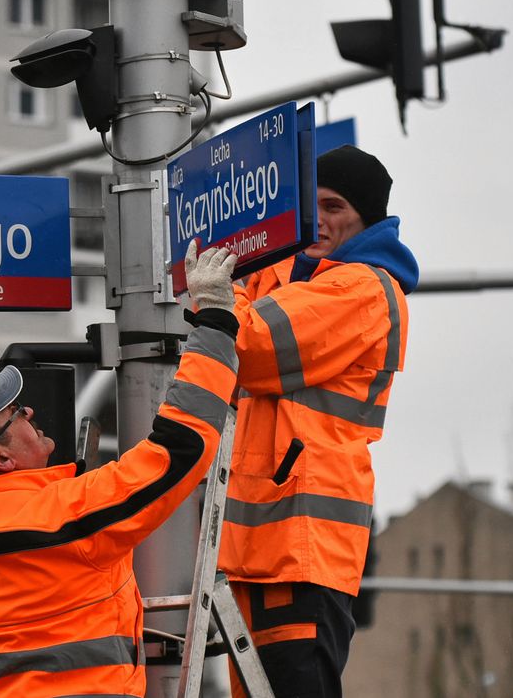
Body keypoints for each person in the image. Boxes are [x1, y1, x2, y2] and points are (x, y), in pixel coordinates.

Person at [0, 243, 239, 697]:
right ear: (1, 459)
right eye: (15, 415)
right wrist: (215, 323)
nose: (29, 410)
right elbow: (179, 450)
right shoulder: (66, 513)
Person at [218, 144, 419, 698]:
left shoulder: (363, 289)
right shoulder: (306, 280)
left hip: (299, 551)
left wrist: (220, 294)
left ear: (366, 220)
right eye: (312, 205)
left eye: (334, 207)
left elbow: (249, 345)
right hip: (266, 551)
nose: (319, 220)